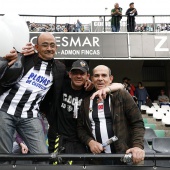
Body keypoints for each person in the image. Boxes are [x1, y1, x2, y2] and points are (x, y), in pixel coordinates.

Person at [0, 32, 67, 156]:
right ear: (36, 47)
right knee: (4, 155)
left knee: (42, 155)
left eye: (52, 45)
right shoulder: (25, 57)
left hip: (30, 116)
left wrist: (89, 83)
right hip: (4, 110)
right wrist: (6, 58)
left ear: (56, 48)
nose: (49, 48)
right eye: (45, 45)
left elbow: (73, 83)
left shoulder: (59, 68)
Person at [48, 60, 124, 164]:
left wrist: (106, 89)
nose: (78, 76)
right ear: (70, 74)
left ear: (88, 76)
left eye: (82, 73)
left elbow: (120, 85)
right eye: (75, 73)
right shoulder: (61, 84)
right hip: (59, 137)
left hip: (80, 141)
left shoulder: (92, 91)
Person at [77, 65, 145, 165]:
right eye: (96, 76)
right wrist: (90, 141)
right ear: (92, 79)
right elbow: (80, 128)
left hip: (124, 156)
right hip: (98, 159)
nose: (100, 79)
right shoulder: (86, 101)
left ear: (111, 78)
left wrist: (137, 146)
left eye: (104, 75)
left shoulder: (122, 96)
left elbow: (137, 123)